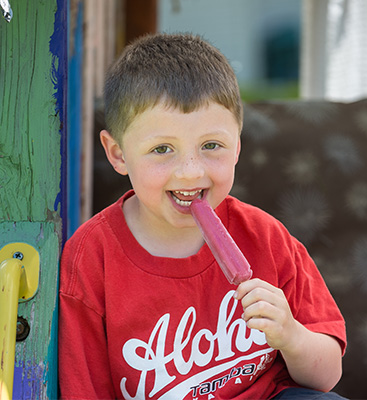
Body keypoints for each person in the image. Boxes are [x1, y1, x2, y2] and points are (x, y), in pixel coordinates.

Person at [58, 33, 347, 400]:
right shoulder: (91, 258)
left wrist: (290, 335)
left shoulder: (266, 238)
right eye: (162, 149)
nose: (191, 172)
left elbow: (327, 376)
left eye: (212, 145)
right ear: (117, 154)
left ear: (238, 145)